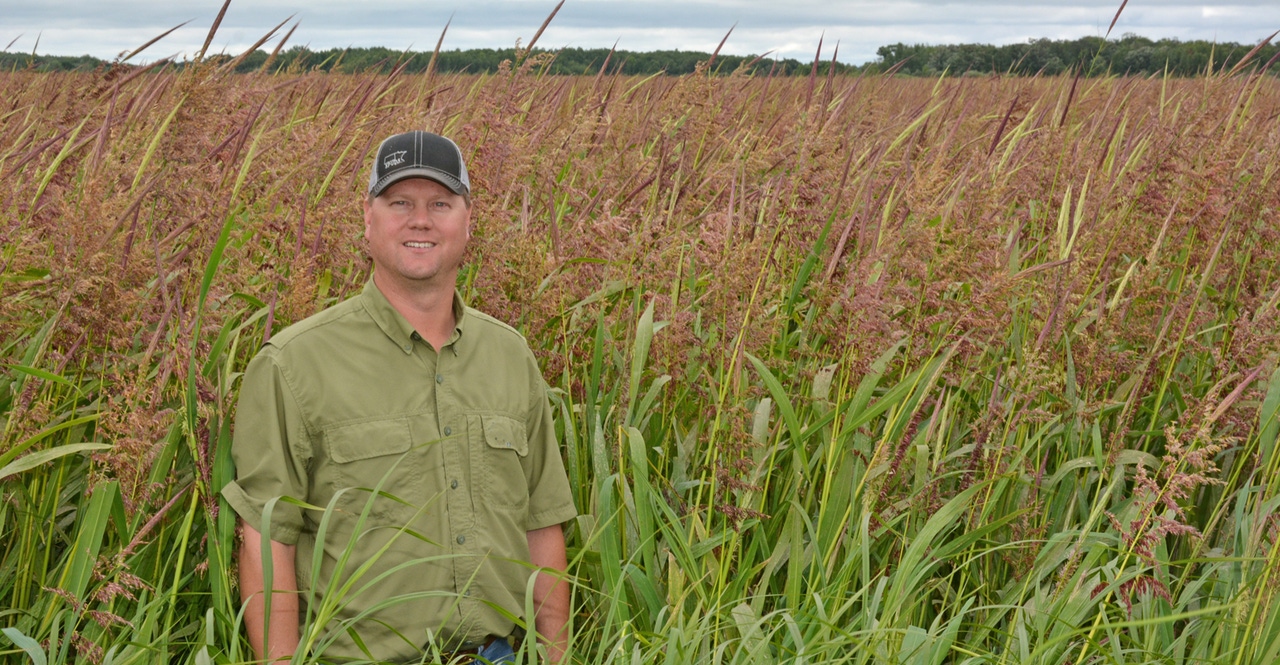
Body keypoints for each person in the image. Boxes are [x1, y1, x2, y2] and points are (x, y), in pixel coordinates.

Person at [223, 130, 577, 664]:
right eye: (400, 203)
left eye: (440, 203)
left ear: (466, 221)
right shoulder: (294, 363)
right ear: (368, 220)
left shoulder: (510, 355)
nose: (421, 220)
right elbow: (268, 537)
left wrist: (556, 656)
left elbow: (541, 521)